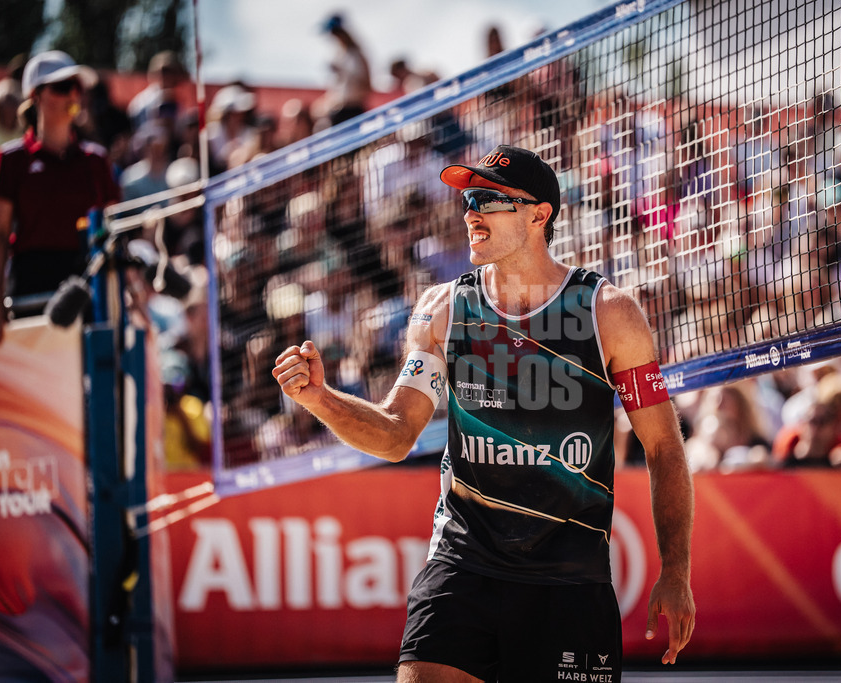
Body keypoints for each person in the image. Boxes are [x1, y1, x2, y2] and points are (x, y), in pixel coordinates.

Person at [273, 145, 695, 681]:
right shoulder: (442, 309)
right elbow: (398, 435)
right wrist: (320, 399)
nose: (470, 212)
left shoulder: (608, 312)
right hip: (462, 565)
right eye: (468, 198)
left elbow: (662, 448)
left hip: (568, 579)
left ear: (539, 215)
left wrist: (676, 570)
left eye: (489, 199)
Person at [0, 50, 120, 345]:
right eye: (62, 87)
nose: (73, 95)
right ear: (35, 96)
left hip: (89, 288)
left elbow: (112, 232)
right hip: (30, 286)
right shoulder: (11, 160)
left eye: (77, 87)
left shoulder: (96, 161)